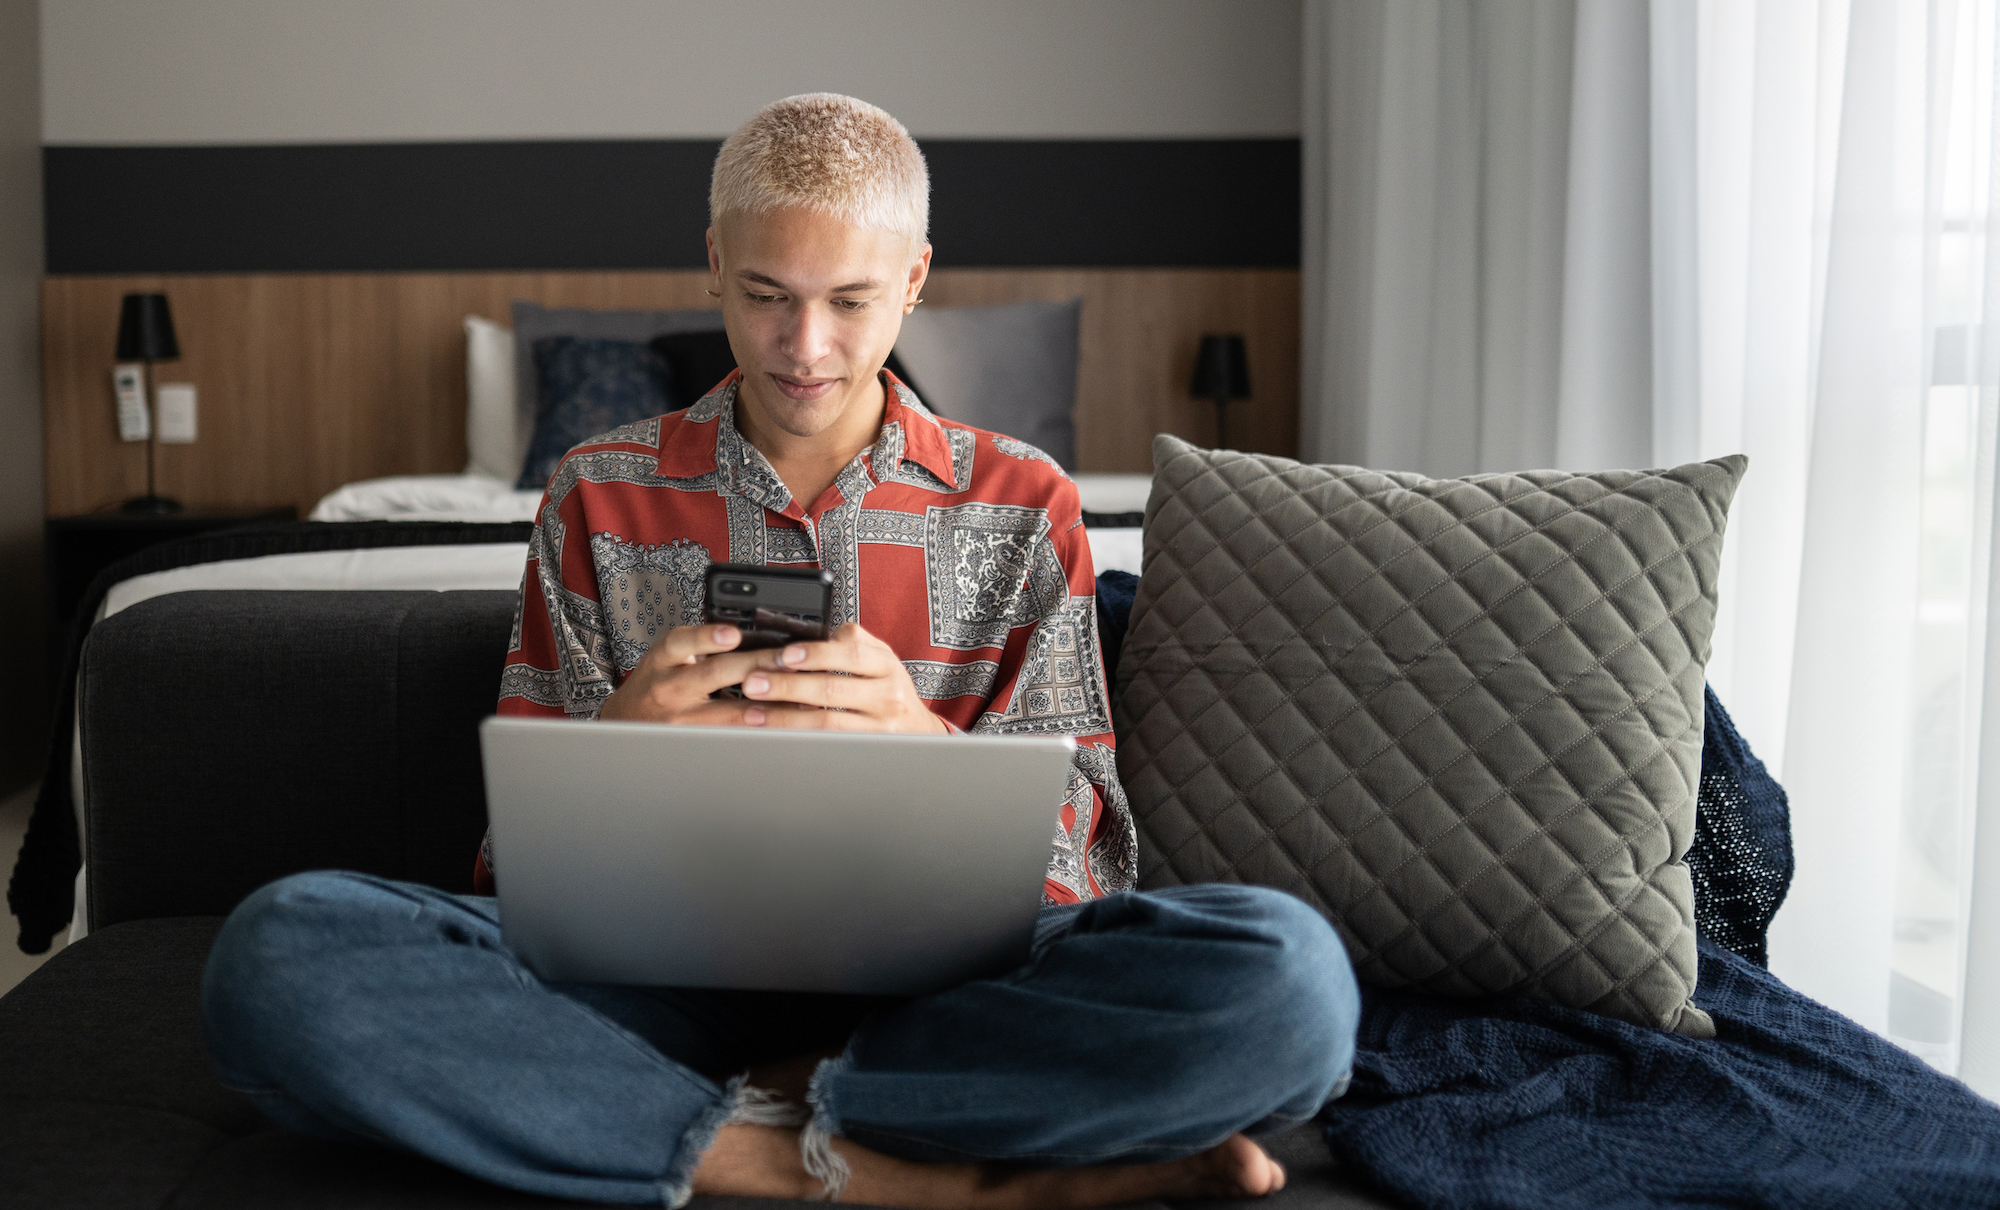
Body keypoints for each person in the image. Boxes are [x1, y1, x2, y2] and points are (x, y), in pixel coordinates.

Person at [201, 93, 1359, 1208]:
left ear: (912, 280)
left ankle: (726, 1106)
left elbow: (1087, 852)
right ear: (712, 263)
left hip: (953, 998)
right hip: (654, 982)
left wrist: (920, 743)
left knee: (1290, 986)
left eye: (850, 300)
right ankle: (892, 1171)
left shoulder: (1022, 501)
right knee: (277, 957)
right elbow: (520, 872)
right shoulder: (599, 489)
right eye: (764, 295)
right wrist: (619, 747)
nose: (804, 347)